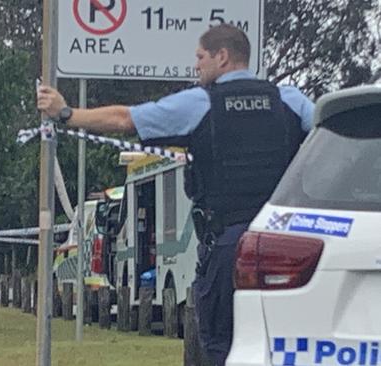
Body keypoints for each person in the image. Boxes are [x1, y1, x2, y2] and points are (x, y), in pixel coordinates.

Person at [37, 24, 314, 365]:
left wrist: (67, 114)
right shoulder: (291, 100)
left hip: (230, 243)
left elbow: (126, 119)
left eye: (200, 57)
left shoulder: (201, 103)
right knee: (289, 345)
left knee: (221, 345)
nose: (195, 66)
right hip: (288, 245)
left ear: (222, 57)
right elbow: (329, 141)